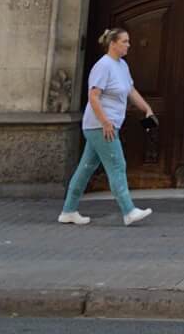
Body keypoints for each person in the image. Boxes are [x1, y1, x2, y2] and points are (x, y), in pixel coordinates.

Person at [57, 27, 157, 226]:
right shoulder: (103, 66)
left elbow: (130, 90)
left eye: (128, 41)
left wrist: (147, 109)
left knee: (86, 168)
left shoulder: (122, 65)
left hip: (105, 124)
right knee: (117, 165)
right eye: (125, 41)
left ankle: (68, 210)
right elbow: (93, 96)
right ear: (113, 44)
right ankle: (128, 211)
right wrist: (104, 122)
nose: (128, 45)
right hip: (100, 126)